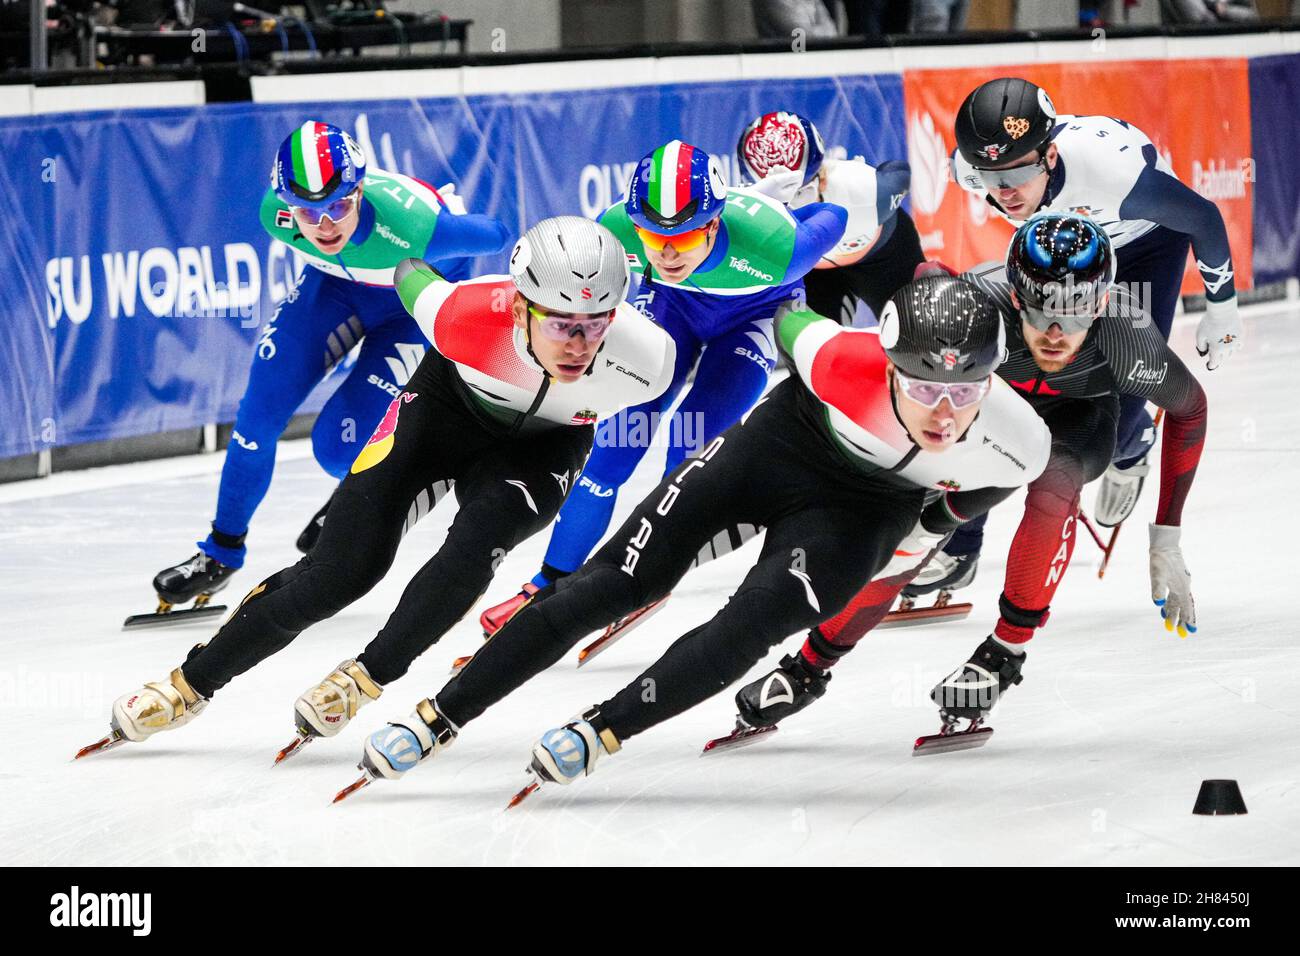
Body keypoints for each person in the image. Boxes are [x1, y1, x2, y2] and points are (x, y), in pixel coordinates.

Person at [344, 274, 1051, 797]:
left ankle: (600, 731)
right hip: (777, 450)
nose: (944, 412)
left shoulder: (1018, 438)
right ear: (888, 365)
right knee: (613, 583)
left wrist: (932, 524)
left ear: (991, 384)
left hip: (864, 512)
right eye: (923, 388)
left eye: (964, 393)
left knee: (749, 627)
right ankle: (440, 716)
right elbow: (791, 320)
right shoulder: (840, 360)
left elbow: (1003, 477)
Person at [78, 217, 678, 759]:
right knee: (339, 572)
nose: (579, 343)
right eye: (562, 325)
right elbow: (410, 272)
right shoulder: (462, 315)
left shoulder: (647, 361)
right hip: (441, 415)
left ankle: (366, 678)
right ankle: (190, 683)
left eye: (596, 324)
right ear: (521, 308)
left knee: (477, 542)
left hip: (544, 448)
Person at [731, 213, 1208, 738]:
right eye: (1039, 309)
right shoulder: (976, 305)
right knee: (915, 531)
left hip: (1078, 418)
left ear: (1100, 304)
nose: (1054, 334)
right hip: (984, 414)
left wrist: (1167, 537)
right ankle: (808, 667)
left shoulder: (1126, 336)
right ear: (1014, 298)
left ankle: (1005, 651)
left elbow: (1191, 409)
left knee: (1056, 485)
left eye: (1073, 315)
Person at [476, 140, 847, 636]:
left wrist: (796, 202)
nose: (668, 252)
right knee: (614, 445)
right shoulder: (613, 230)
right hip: (672, 310)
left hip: (753, 318)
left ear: (714, 223)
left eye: (687, 236)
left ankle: (642, 573)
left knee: (690, 453)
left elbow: (836, 214)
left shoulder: (779, 248)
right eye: (653, 236)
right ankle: (550, 580)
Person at [144, 121, 511, 623]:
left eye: (337, 205)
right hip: (334, 289)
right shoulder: (275, 215)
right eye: (306, 212)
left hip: (409, 301)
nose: (323, 225)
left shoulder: (417, 229)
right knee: (256, 421)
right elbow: (317, 231)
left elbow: (500, 234)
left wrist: (450, 221)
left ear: (358, 191)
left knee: (337, 446)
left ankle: (353, 497)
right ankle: (221, 551)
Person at [950, 77, 1239, 530]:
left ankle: (1134, 441)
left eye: (1019, 174)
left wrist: (1221, 308)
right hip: (1058, 245)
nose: (1005, 192)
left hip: (1143, 244)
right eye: (993, 178)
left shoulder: (1114, 178)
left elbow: (1204, 218)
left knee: (1120, 402)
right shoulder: (970, 167)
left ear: (1050, 156)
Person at [736, 109, 923, 326]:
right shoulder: (744, 209)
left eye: (798, 193)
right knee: (798, 351)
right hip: (813, 273)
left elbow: (900, 174)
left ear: (822, 177)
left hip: (882, 260)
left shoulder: (867, 191)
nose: (791, 208)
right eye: (776, 198)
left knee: (921, 334)